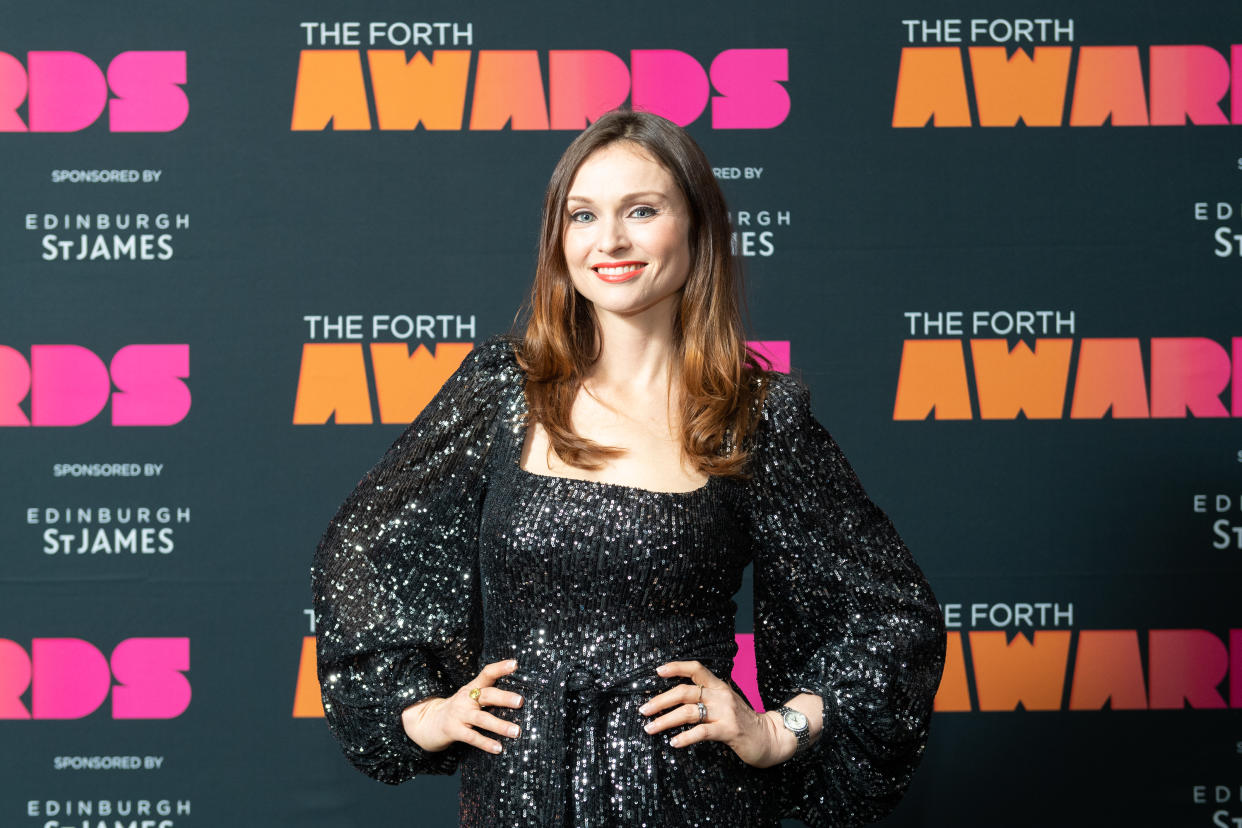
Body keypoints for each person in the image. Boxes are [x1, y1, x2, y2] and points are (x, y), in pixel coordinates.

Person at [312, 109, 944, 827]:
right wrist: (420, 711)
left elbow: (891, 619)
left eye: (641, 211)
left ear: (697, 229)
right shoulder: (500, 394)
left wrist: (778, 731)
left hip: (693, 798)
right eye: (583, 216)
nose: (609, 240)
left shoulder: (758, 419)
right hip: (519, 795)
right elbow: (362, 551)